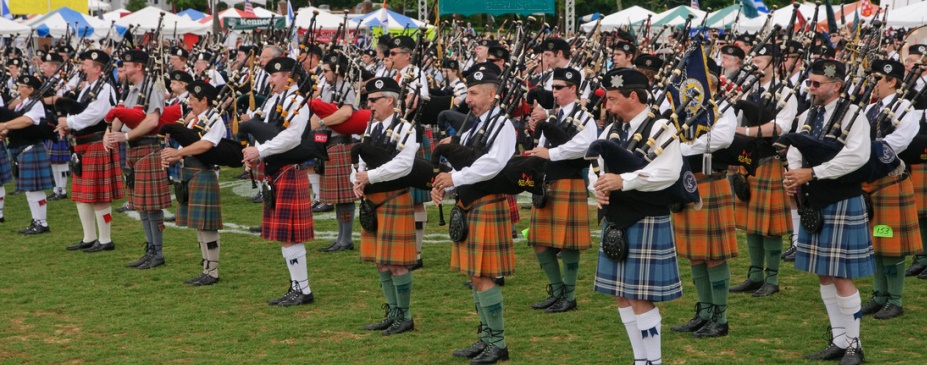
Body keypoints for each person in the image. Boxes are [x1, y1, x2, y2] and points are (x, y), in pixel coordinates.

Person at [784, 59, 873, 365]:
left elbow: (857, 157)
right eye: (809, 82)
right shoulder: (807, 114)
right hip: (814, 200)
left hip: (841, 200)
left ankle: (854, 344)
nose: (811, 88)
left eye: (816, 83)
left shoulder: (854, 115)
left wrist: (814, 173)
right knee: (824, 274)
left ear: (836, 86)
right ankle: (838, 339)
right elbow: (795, 149)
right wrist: (795, 175)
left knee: (842, 275)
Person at [592, 68, 682, 365]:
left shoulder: (663, 128)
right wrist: (598, 187)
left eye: (613, 99)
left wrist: (624, 181)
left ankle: (653, 361)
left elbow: (668, 174)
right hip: (617, 217)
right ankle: (639, 359)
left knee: (640, 297)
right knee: (621, 294)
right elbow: (598, 165)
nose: (607, 105)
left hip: (646, 218)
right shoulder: (614, 129)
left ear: (633, 96)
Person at [432, 68, 515, 364]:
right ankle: (486, 337)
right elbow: (462, 165)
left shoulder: (502, 125)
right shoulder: (473, 127)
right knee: (475, 276)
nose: (468, 100)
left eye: (474, 93)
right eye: (467, 93)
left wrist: (455, 178)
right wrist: (445, 183)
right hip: (469, 203)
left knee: (483, 276)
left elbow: (493, 164)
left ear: (492, 95)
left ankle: (498, 343)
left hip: (487, 203)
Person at [670, 60, 738, 338]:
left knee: (714, 256)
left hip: (710, 185)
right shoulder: (678, 110)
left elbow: (721, 139)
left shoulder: (724, 110)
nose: (691, 89)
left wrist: (682, 146)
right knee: (695, 257)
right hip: (686, 187)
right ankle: (704, 312)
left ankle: (720, 319)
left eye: (699, 84)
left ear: (711, 85)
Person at [241, 56, 316, 307]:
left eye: (275, 75)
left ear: (288, 76)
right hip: (276, 170)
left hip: (289, 171)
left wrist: (260, 152)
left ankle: (303, 290)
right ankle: (296, 286)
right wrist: (253, 154)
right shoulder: (275, 100)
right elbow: (266, 131)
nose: (270, 80)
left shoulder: (298, 102)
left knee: (291, 236)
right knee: (286, 236)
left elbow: (293, 138)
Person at [524, 67, 595, 313]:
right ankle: (557, 290)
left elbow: (585, 146)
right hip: (547, 180)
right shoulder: (553, 117)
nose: (553, 92)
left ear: (573, 88)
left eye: (558, 88)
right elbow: (542, 146)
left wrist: (551, 153)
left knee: (569, 244)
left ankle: (570, 295)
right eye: (552, 87)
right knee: (539, 241)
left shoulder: (586, 117)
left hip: (568, 180)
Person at [729, 44, 796, 297]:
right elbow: (732, 120)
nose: (754, 64)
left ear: (773, 64)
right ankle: (755, 276)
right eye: (753, 59)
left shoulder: (786, 93)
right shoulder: (747, 89)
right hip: (746, 159)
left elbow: (781, 128)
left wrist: (743, 132)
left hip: (769, 160)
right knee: (751, 224)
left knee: (769, 226)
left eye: (760, 60)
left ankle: (773, 278)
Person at [354, 77, 419, 336]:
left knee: (396, 263)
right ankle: (392, 313)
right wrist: (356, 179)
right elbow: (361, 160)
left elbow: (404, 164)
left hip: (393, 198)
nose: (368, 105)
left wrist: (371, 177)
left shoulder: (406, 129)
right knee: (381, 262)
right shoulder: (371, 128)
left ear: (389, 100)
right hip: (372, 200)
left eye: (373, 100)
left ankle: (405, 316)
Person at [858, 59, 921, 320]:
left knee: (889, 242)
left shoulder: (906, 108)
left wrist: (866, 151)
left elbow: (900, 141)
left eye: (877, 78)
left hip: (890, 184)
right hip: (869, 185)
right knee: (876, 241)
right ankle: (879, 295)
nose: (872, 83)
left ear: (892, 80)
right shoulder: (871, 108)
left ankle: (894, 300)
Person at [104, 49, 171, 269]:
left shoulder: (152, 89)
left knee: (152, 205)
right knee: (140, 204)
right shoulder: (132, 91)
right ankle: (150, 249)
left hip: (148, 148)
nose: (121, 69)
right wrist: (109, 134)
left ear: (138, 66)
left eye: (126, 65)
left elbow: (152, 121)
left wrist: (125, 136)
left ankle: (158, 252)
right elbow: (119, 116)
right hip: (134, 151)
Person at [54, 49, 123, 253]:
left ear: (97, 68)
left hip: (96, 144)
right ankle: (89, 237)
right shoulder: (88, 88)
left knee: (100, 196)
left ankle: (105, 239)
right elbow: (81, 111)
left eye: (86, 65)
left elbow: (96, 114)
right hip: (82, 144)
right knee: (82, 195)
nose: (83, 67)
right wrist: (66, 127)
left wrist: (69, 121)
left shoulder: (105, 88)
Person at [161, 81, 225, 286]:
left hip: (203, 173)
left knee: (207, 226)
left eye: (192, 99)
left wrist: (178, 153)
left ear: (204, 100)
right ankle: (206, 267)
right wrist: (173, 157)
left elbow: (206, 145)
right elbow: (186, 144)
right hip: (189, 171)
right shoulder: (194, 120)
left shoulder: (216, 120)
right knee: (199, 226)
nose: (189, 103)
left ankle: (213, 271)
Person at [310, 52, 359, 253]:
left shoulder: (345, 88)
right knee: (338, 199)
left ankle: (346, 239)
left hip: (341, 143)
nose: (324, 73)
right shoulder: (327, 88)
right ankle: (340, 238)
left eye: (327, 70)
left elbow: (347, 113)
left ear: (337, 70)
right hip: (329, 144)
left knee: (345, 197)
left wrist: (321, 122)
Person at [2, 75, 55, 234]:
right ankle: (36, 220)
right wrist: (6, 132)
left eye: (22, 87)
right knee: (29, 189)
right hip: (22, 149)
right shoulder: (22, 104)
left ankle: (43, 223)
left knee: (35, 189)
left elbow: (27, 121)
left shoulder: (36, 104)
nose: (19, 90)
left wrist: (4, 125)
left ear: (31, 89)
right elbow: (18, 124)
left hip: (31, 148)